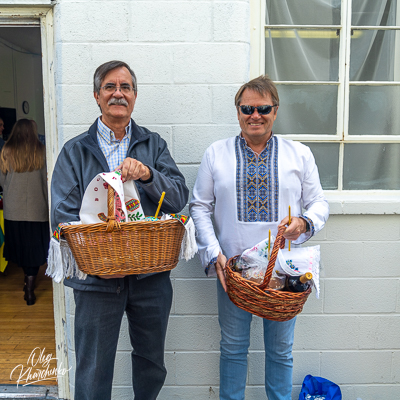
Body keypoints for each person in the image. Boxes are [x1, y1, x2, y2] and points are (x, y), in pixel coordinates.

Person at [50, 60, 189, 400]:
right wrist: (103, 234)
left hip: (150, 277)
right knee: (93, 367)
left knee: (151, 362)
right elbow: (62, 214)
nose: (118, 94)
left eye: (125, 87)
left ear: (135, 97)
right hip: (96, 280)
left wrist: (147, 175)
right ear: (97, 96)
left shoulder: (153, 145)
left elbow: (179, 197)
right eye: (110, 87)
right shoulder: (75, 150)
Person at [189, 75, 329, 400]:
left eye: (263, 108)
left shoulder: (299, 155)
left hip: (284, 273)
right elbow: (199, 206)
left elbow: (319, 202)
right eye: (247, 108)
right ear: (237, 111)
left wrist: (305, 222)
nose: (255, 115)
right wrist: (214, 255)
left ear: (275, 111)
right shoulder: (216, 154)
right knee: (234, 348)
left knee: (281, 352)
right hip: (234, 272)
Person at [0, 119, 49, 305]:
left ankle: (27, 281)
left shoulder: (6, 151)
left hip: (14, 209)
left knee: (20, 248)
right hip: (37, 209)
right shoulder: (42, 151)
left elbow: (2, 179)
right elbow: (46, 180)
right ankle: (29, 285)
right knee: (35, 249)